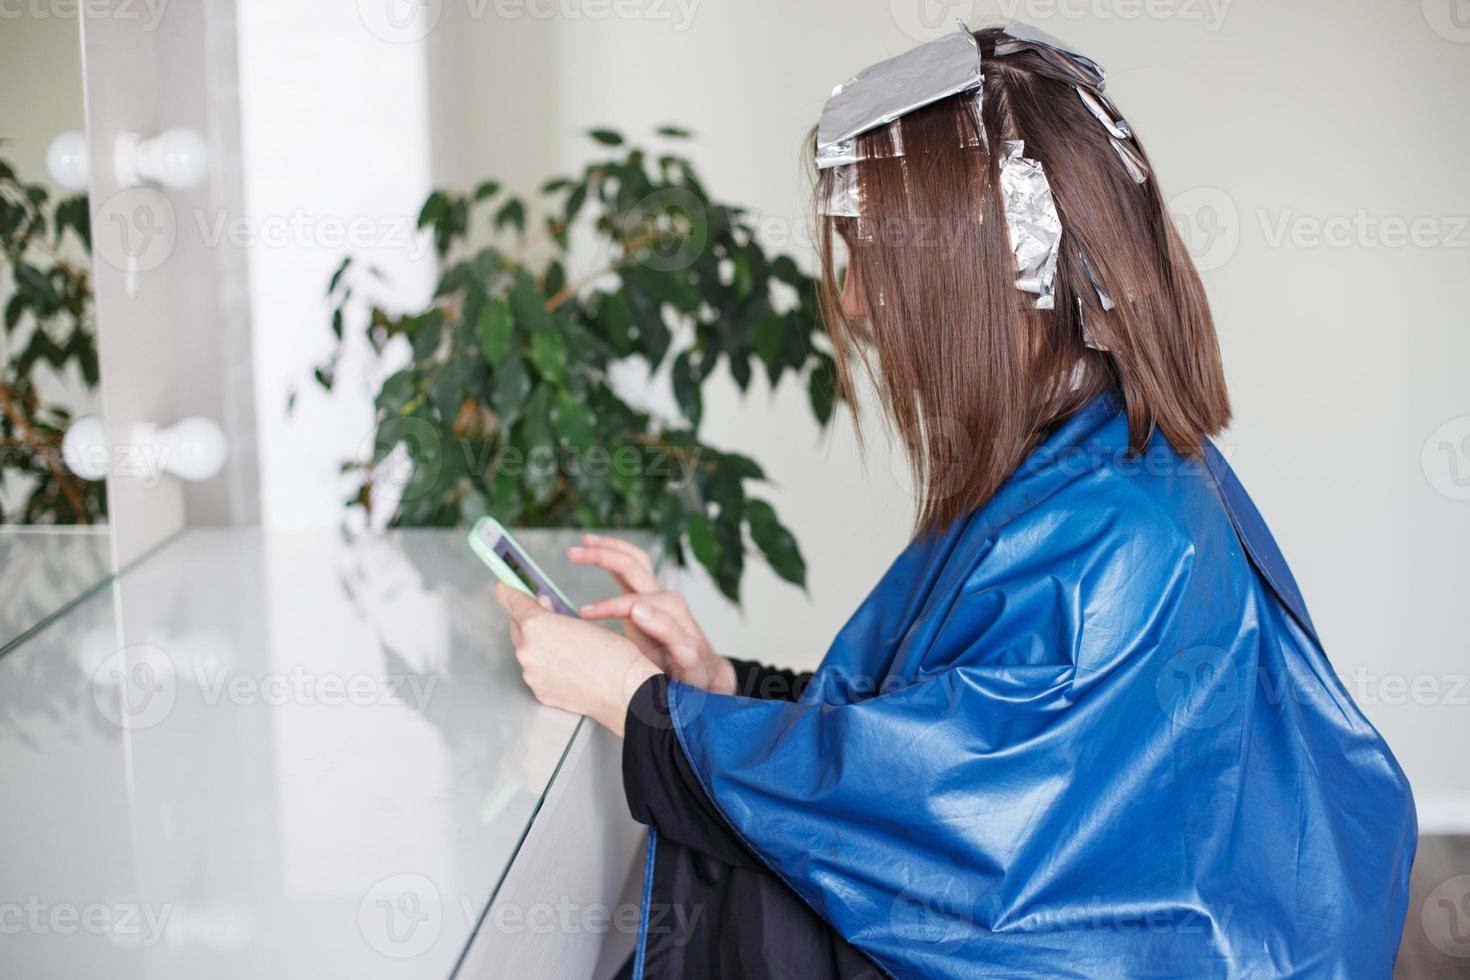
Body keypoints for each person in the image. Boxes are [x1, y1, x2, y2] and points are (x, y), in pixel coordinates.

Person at [494, 24, 1417, 979]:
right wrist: (725, 688)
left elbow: (951, 834)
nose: (850, 305)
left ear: (977, 274)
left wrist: (631, 702)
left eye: (868, 260)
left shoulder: (1118, 535)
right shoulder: (1080, 466)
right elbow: (933, 746)